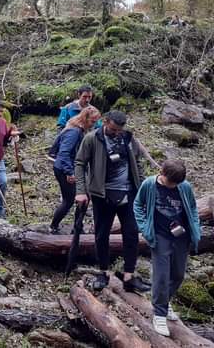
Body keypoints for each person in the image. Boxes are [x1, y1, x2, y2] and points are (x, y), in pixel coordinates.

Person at [74, 110, 150, 292]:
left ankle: (129, 276)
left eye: (120, 130)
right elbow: (79, 163)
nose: (117, 133)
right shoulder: (92, 139)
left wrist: (142, 190)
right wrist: (81, 191)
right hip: (102, 195)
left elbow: (137, 164)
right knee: (102, 234)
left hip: (128, 194)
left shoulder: (128, 138)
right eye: (114, 129)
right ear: (105, 122)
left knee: (131, 233)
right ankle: (103, 272)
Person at [134, 160, 201, 337]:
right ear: (161, 172)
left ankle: (164, 301)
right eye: (170, 182)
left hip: (181, 236)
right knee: (162, 275)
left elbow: (193, 208)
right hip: (160, 236)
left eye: (176, 184)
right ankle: (159, 314)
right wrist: (145, 229)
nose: (173, 186)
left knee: (178, 275)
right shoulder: (149, 184)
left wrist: (196, 229)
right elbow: (138, 205)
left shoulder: (184, 186)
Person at [49, 106, 101, 234]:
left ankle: (78, 227)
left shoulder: (81, 130)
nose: (94, 125)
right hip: (65, 169)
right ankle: (54, 226)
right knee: (70, 199)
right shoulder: (74, 132)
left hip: (73, 168)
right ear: (85, 118)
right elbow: (64, 153)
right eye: (93, 122)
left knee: (84, 198)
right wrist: (69, 173)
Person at [0, 100, 19, 217]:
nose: (0, 113)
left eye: (2, 111)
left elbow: (5, 138)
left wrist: (11, 133)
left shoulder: (2, 122)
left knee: (3, 181)